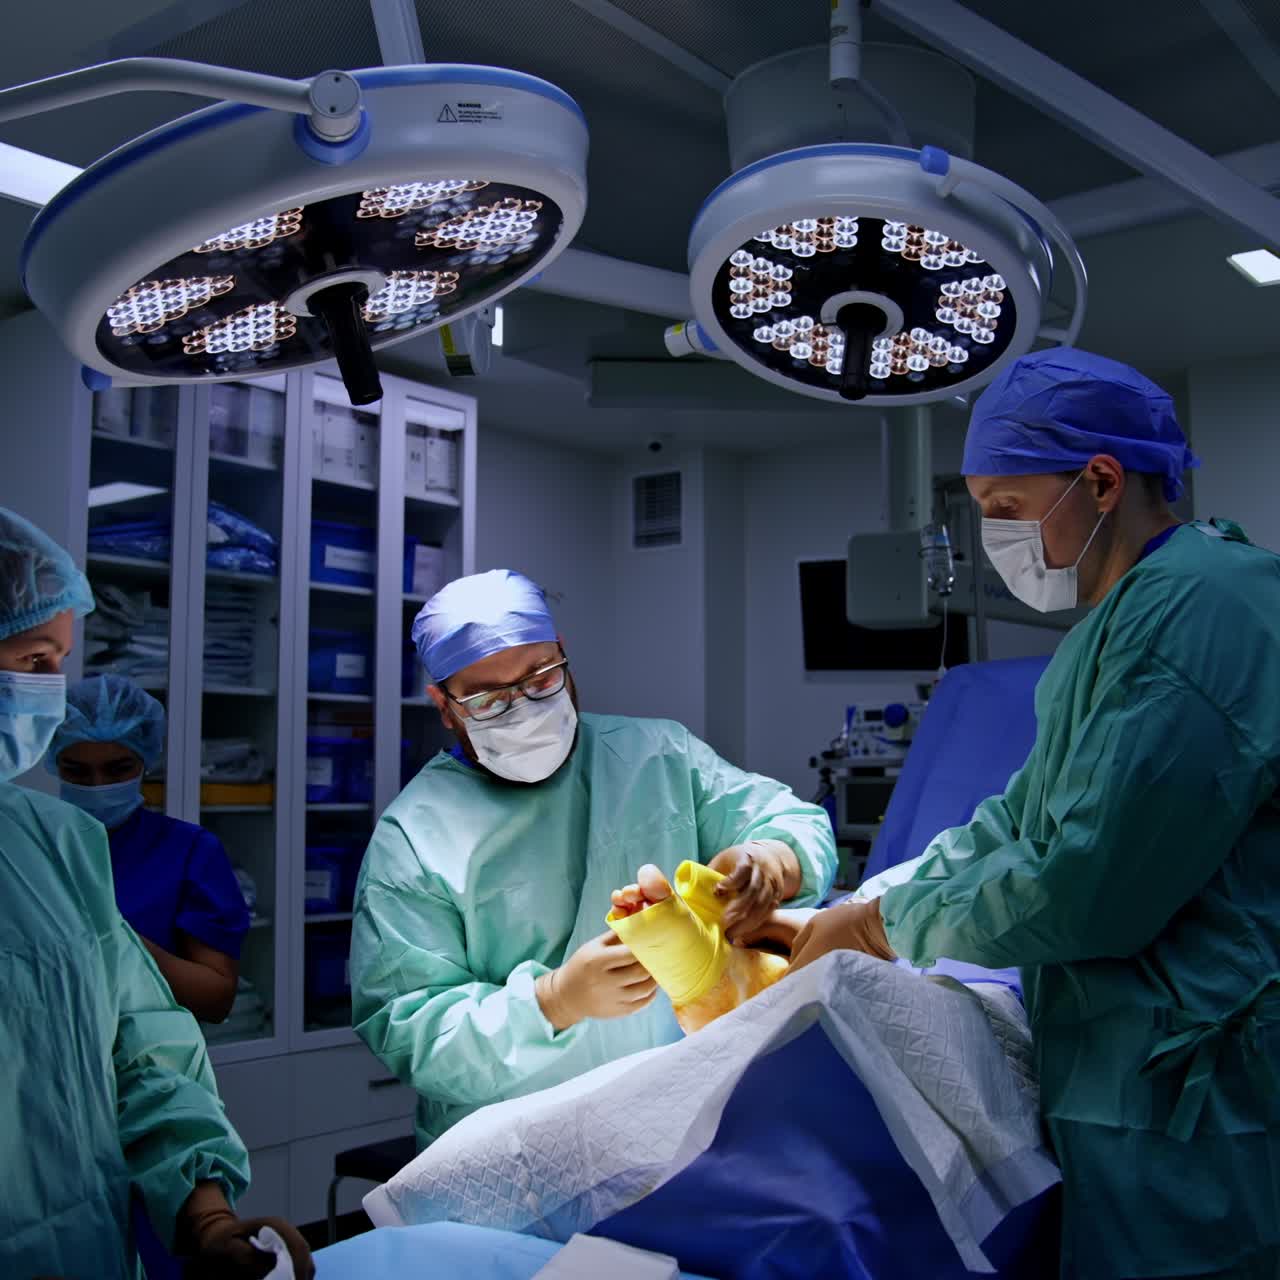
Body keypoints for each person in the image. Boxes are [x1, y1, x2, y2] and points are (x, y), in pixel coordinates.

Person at [786, 348, 1280, 1280]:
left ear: (1099, 481)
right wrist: (869, 903)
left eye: (1004, 511)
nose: (994, 540)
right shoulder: (1122, 622)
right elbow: (1020, 819)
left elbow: (1089, 884)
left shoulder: (1196, 614)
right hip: (1137, 1080)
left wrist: (890, 926)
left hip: (1202, 1099)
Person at [351, 569, 836, 1148]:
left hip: (683, 1120)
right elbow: (411, 1030)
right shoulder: (415, 838)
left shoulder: (658, 756)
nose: (524, 708)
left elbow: (793, 821)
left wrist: (771, 860)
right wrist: (553, 1002)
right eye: (488, 699)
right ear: (445, 706)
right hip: (517, 1152)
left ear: (565, 660)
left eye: (540, 678)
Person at [0, 507, 313, 1279]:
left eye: (58, 664)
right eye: (36, 660)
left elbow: (142, 1052)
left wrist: (206, 1213)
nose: (49, 692)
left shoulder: (56, 847)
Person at [48, 674, 249, 1023]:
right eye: (77, 772)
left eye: (117, 769)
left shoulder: (188, 851)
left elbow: (216, 998)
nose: (99, 786)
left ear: (144, 761)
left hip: (141, 1060)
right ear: (54, 762)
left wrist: (116, 939)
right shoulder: (33, 845)